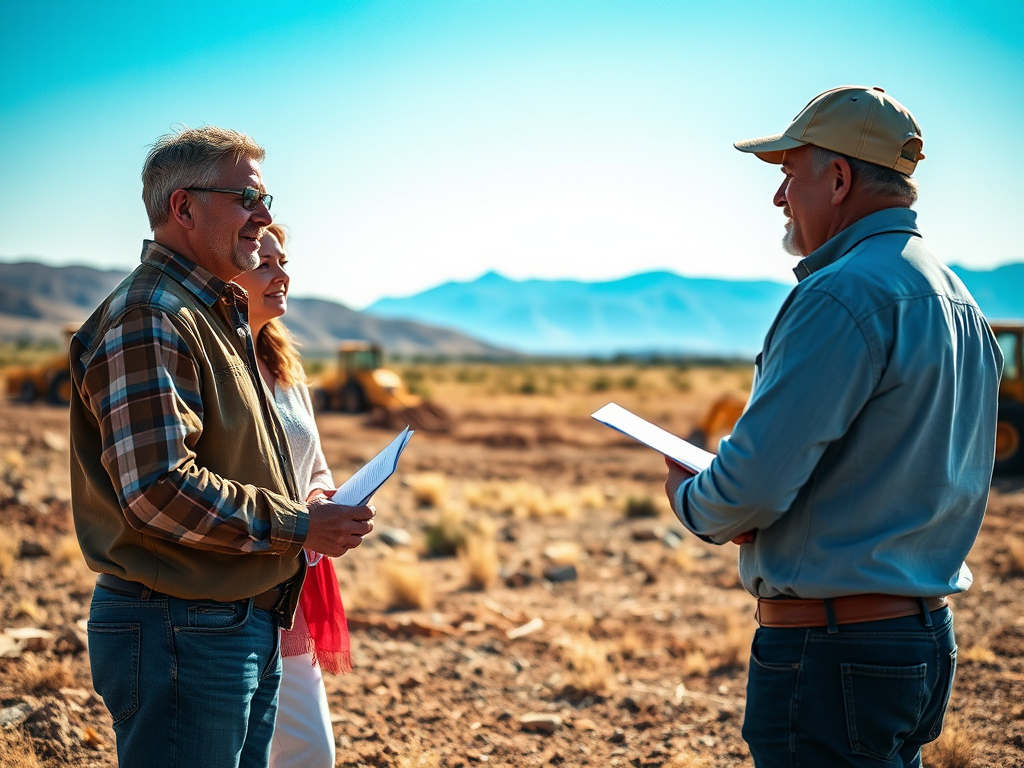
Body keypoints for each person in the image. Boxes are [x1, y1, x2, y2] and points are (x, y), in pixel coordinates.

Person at [664, 86, 1003, 767]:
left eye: (790, 175)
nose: (779, 198)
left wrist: (692, 497)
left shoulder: (841, 293)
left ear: (839, 178)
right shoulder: (961, 302)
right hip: (922, 640)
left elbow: (751, 492)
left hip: (832, 650)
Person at [69, 126, 375, 768]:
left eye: (265, 201)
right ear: (183, 208)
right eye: (246, 200)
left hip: (228, 622)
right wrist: (300, 524)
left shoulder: (211, 315)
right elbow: (158, 491)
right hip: (184, 628)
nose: (264, 218)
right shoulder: (152, 317)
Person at [233, 223, 347, 768]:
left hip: (294, 580)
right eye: (264, 264)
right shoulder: (213, 364)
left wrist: (323, 500)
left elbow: (315, 466)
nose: (282, 275)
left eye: (284, 261)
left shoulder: (284, 366)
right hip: (232, 584)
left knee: (309, 753)